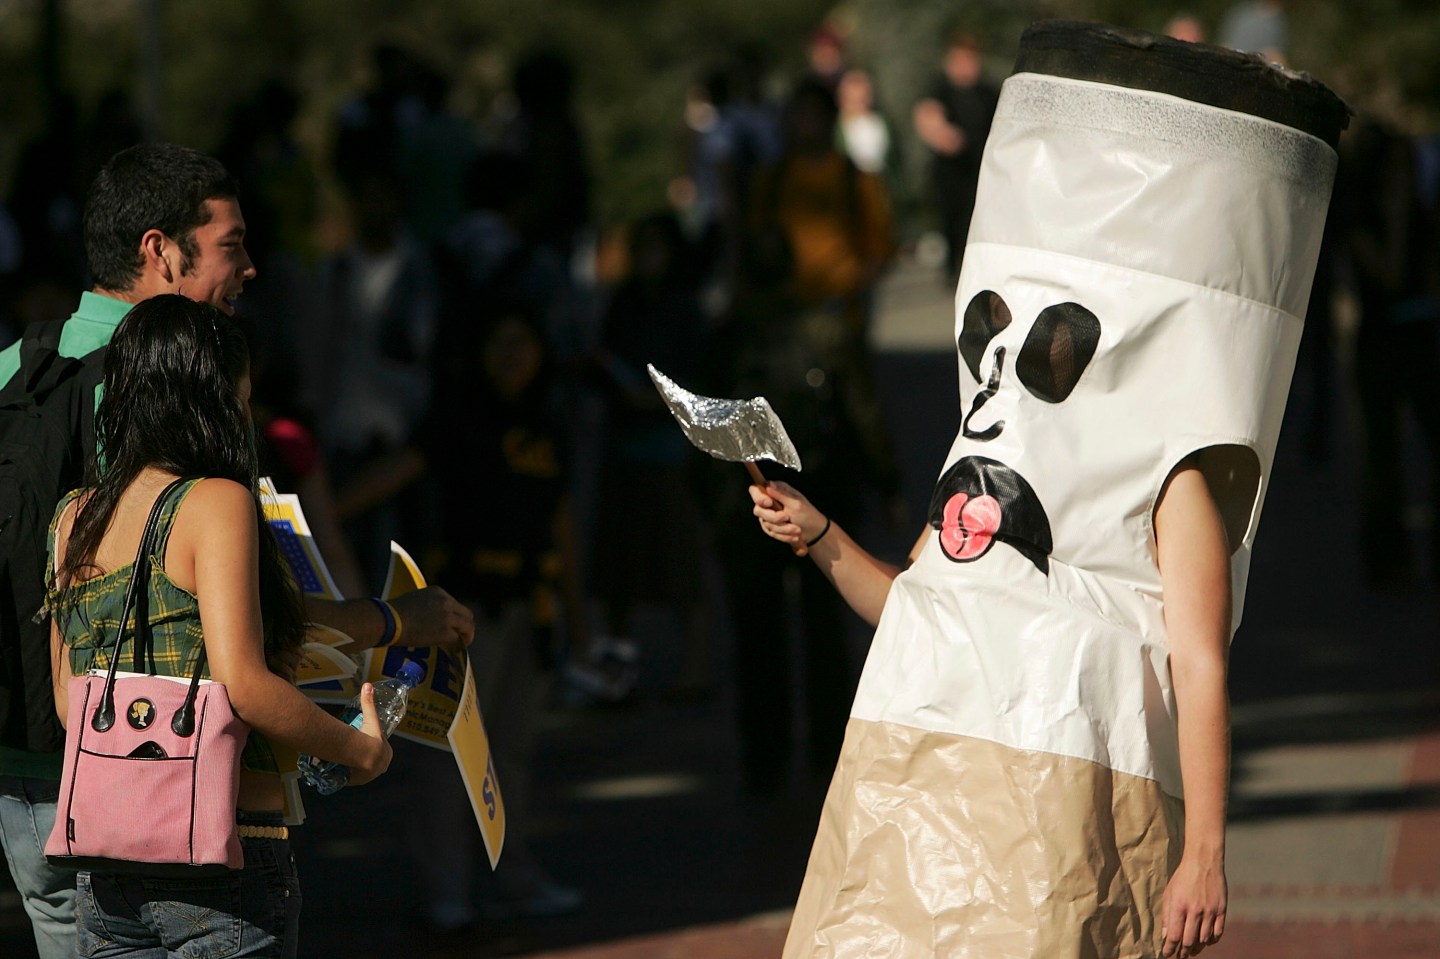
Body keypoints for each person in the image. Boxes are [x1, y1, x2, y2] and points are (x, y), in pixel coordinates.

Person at [753, 21, 1346, 959]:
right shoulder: (993, 445)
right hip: (917, 797)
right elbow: (921, 610)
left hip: (1069, 827)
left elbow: (1200, 666)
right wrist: (820, 533)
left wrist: (1204, 854)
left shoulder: (1173, 472)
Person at [0, 141, 474, 959]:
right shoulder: (167, 398)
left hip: (42, 773)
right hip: (168, 789)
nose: (251, 269)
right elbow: (232, 640)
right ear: (159, 250)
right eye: (232, 244)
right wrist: (383, 637)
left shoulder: (14, 368)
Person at [47, 294, 394, 956]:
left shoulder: (73, 517)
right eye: (242, 398)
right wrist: (360, 751)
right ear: (214, 398)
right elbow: (246, 686)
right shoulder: (215, 502)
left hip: (105, 862)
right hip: (223, 850)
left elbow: (71, 703)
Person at [913, 32, 999, 283]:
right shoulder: (940, 90)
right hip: (950, 174)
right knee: (952, 223)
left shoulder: (988, 92)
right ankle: (954, 272)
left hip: (981, 171)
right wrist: (941, 133)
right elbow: (927, 116)